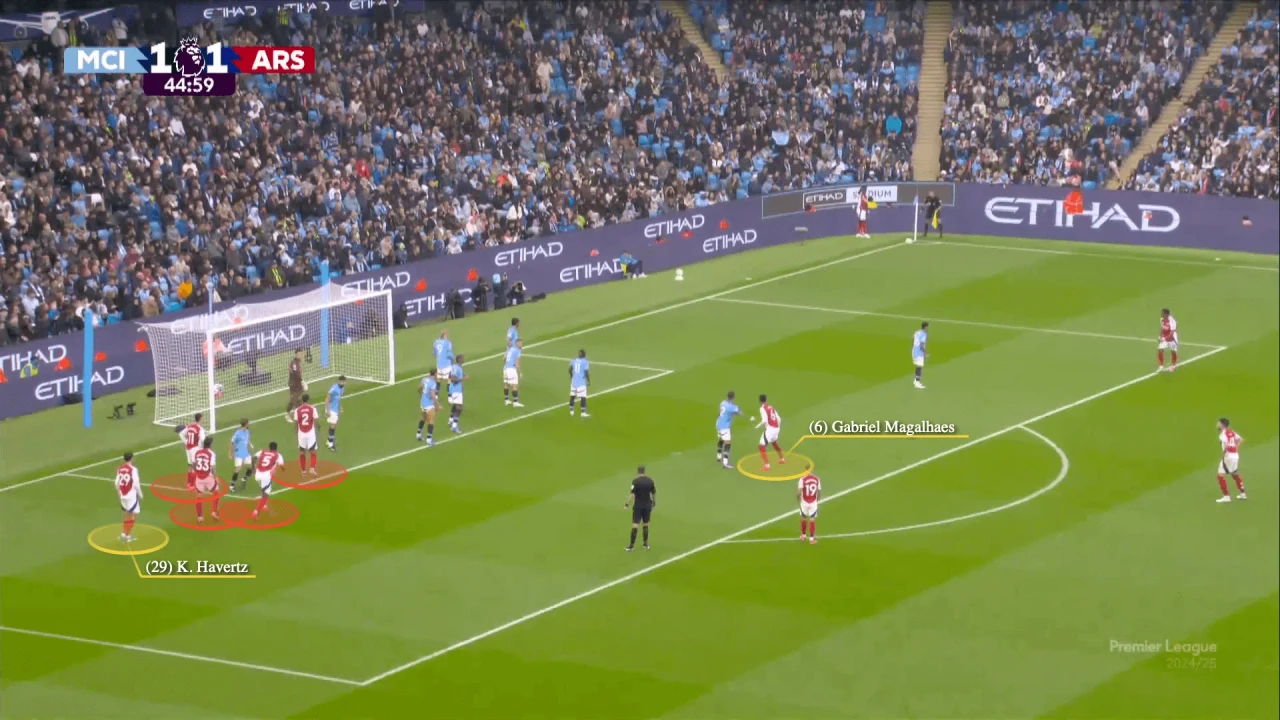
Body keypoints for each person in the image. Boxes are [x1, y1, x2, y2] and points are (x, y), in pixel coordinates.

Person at [624, 465, 656, 551]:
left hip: (638, 505)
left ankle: (631, 546)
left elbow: (632, 494)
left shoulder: (636, 481)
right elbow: (653, 493)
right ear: (644, 471)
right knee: (646, 524)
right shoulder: (650, 481)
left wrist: (627, 504)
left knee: (635, 525)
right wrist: (654, 502)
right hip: (647, 505)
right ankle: (645, 544)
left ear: (638, 472)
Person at [1215, 418, 1246, 503]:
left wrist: (1223, 455)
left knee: (1220, 475)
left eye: (1218, 423)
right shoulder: (1231, 432)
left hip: (1228, 456)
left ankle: (1226, 496)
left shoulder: (1222, 434)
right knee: (1234, 473)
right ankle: (1243, 494)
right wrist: (1235, 448)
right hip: (1235, 455)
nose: (1217, 425)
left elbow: (1226, 445)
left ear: (1222, 425)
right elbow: (1240, 439)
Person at [252, 441, 285, 519]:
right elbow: (282, 466)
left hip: (257, 474)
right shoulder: (278, 455)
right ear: (276, 448)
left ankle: (264, 505)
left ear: (269, 447)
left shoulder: (262, 451)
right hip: (266, 476)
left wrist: (253, 468)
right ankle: (256, 512)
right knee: (266, 495)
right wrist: (283, 469)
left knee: (263, 488)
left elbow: (253, 458)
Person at [115, 452, 142, 543]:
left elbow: (116, 483)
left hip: (122, 495)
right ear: (132, 458)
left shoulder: (120, 469)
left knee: (126, 513)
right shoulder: (133, 469)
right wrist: (140, 494)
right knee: (134, 514)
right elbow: (136, 483)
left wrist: (119, 494)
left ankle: (124, 533)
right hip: (131, 495)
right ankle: (128, 535)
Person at [192, 437, 220, 523]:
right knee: (216, 492)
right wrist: (216, 477)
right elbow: (213, 468)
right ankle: (213, 512)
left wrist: (197, 472)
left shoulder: (197, 452)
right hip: (208, 477)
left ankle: (200, 517)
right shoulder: (211, 453)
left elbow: (193, 464)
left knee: (199, 497)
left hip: (198, 478)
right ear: (210, 444)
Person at [755, 394, 786, 470]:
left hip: (770, 429)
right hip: (776, 428)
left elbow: (764, 420)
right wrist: (777, 427)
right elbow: (779, 418)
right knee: (774, 442)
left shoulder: (762, 408)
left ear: (760, 401)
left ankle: (767, 465)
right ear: (766, 400)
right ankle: (782, 459)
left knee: (761, 446)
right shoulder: (771, 407)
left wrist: (757, 426)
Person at [292, 393, 319, 475]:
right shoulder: (313, 409)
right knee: (313, 451)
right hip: (310, 433)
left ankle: (303, 471)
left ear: (302, 400)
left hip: (301, 434)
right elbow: (316, 421)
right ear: (308, 400)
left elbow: (296, 423)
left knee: (302, 452)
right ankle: (312, 468)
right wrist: (317, 428)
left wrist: (296, 434)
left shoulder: (297, 410)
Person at [179, 412, 206, 491]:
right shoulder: (200, 429)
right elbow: (203, 439)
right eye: (202, 418)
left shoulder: (190, 426)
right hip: (195, 449)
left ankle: (189, 484)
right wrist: (203, 448)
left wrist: (186, 441)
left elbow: (181, 434)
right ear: (200, 419)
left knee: (190, 465)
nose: (203, 420)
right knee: (195, 466)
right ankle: (193, 485)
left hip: (188, 448)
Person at [715, 391, 742, 469]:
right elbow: (739, 412)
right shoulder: (733, 407)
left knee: (721, 439)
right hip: (725, 427)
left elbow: (722, 412)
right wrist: (736, 413)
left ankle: (719, 456)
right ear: (733, 397)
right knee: (727, 443)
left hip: (718, 424)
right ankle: (725, 463)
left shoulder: (722, 403)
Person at [229, 418, 254, 492]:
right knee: (238, 468)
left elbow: (247, 440)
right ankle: (232, 485)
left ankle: (244, 478)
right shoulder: (237, 433)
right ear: (246, 424)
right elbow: (232, 443)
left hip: (245, 452)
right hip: (239, 452)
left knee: (250, 467)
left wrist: (250, 445)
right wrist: (230, 453)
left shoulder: (247, 431)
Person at [418, 369, 440, 446]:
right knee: (431, 421)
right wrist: (438, 405)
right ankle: (429, 439)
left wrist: (422, 395)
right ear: (435, 374)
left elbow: (419, 388)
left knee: (423, 418)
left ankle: (418, 434)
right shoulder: (433, 383)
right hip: (429, 404)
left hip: (422, 402)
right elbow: (433, 395)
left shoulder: (424, 379)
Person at [798, 472, 821, 544]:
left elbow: (799, 491)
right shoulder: (817, 479)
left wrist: (798, 498)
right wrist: (817, 500)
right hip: (813, 502)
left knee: (803, 518)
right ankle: (811, 539)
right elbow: (819, 491)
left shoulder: (802, 479)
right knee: (812, 519)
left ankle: (803, 535)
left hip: (804, 502)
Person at [448, 354, 467, 434]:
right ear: (459, 359)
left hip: (454, 389)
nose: (464, 359)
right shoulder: (457, 368)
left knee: (455, 405)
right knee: (459, 408)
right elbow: (453, 379)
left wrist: (463, 374)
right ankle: (454, 426)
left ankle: (450, 420)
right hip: (456, 390)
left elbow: (450, 375)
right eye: (462, 358)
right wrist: (462, 378)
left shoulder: (456, 367)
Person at [326, 376, 346, 451]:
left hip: (335, 409)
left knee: (333, 425)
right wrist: (328, 411)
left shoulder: (342, 388)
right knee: (333, 426)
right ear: (339, 381)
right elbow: (327, 400)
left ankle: (329, 440)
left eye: (344, 382)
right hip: (331, 409)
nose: (343, 383)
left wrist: (340, 406)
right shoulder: (333, 389)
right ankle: (331, 444)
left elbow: (338, 398)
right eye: (342, 381)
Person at [569, 349, 590, 417]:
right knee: (583, 397)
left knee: (572, 396)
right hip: (581, 382)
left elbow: (569, 369)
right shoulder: (585, 362)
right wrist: (588, 380)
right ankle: (583, 413)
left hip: (574, 382)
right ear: (584, 355)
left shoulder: (574, 360)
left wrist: (571, 376)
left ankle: (571, 411)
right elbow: (586, 372)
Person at [286, 348, 307, 418]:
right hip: (294, 385)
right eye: (299, 354)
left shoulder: (297, 362)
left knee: (299, 399)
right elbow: (296, 374)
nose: (300, 355)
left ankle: (299, 413)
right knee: (293, 400)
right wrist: (302, 381)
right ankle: (288, 415)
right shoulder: (294, 363)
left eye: (301, 354)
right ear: (296, 354)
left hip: (297, 384)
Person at [504, 340, 524, 408]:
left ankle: (506, 400)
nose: (522, 345)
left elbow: (504, 358)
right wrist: (520, 372)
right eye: (521, 343)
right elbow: (517, 363)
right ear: (517, 343)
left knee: (506, 384)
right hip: (511, 369)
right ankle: (515, 402)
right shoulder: (517, 351)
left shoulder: (510, 349)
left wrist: (506, 365)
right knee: (515, 385)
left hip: (506, 368)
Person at [912, 322, 929, 390]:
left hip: (914, 351)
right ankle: (917, 383)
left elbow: (912, 340)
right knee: (919, 367)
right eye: (927, 327)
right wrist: (925, 353)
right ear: (925, 327)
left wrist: (914, 348)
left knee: (918, 366)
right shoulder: (924, 334)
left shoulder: (917, 332)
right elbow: (921, 345)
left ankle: (915, 380)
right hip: (919, 352)